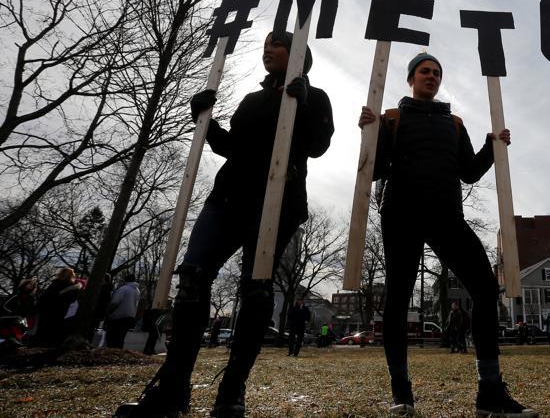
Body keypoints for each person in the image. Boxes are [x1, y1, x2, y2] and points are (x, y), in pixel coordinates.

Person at [117, 31, 334, 418]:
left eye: (277, 45)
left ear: (298, 52)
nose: (267, 50)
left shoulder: (314, 97)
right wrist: (204, 117)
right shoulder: (252, 100)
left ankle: (231, 393)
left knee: (255, 288)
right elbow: (232, 146)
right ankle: (174, 389)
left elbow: (318, 146)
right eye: (265, 46)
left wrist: (302, 105)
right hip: (228, 197)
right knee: (193, 277)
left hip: (276, 201)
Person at [358, 52, 536, 417]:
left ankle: (489, 392)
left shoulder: (453, 123)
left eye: (437, 73)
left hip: (446, 215)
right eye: (424, 71)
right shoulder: (392, 118)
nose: (431, 76)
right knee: (397, 299)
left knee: (486, 289)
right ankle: (401, 393)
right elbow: (375, 171)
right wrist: (370, 132)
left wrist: (492, 145)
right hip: (402, 214)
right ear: (411, 78)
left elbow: (468, 172)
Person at [33, 268, 83, 347]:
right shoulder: (73, 287)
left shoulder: (55, 283)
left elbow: (45, 297)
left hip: (48, 310)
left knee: (43, 330)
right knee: (54, 330)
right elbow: (72, 299)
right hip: (60, 311)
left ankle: (39, 344)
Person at [105, 273, 140, 349]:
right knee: (121, 338)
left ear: (126, 280)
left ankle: (110, 353)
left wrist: (109, 311)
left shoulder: (124, 289)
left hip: (118, 316)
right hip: (130, 316)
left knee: (112, 338)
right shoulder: (137, 291)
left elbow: (115, 302)